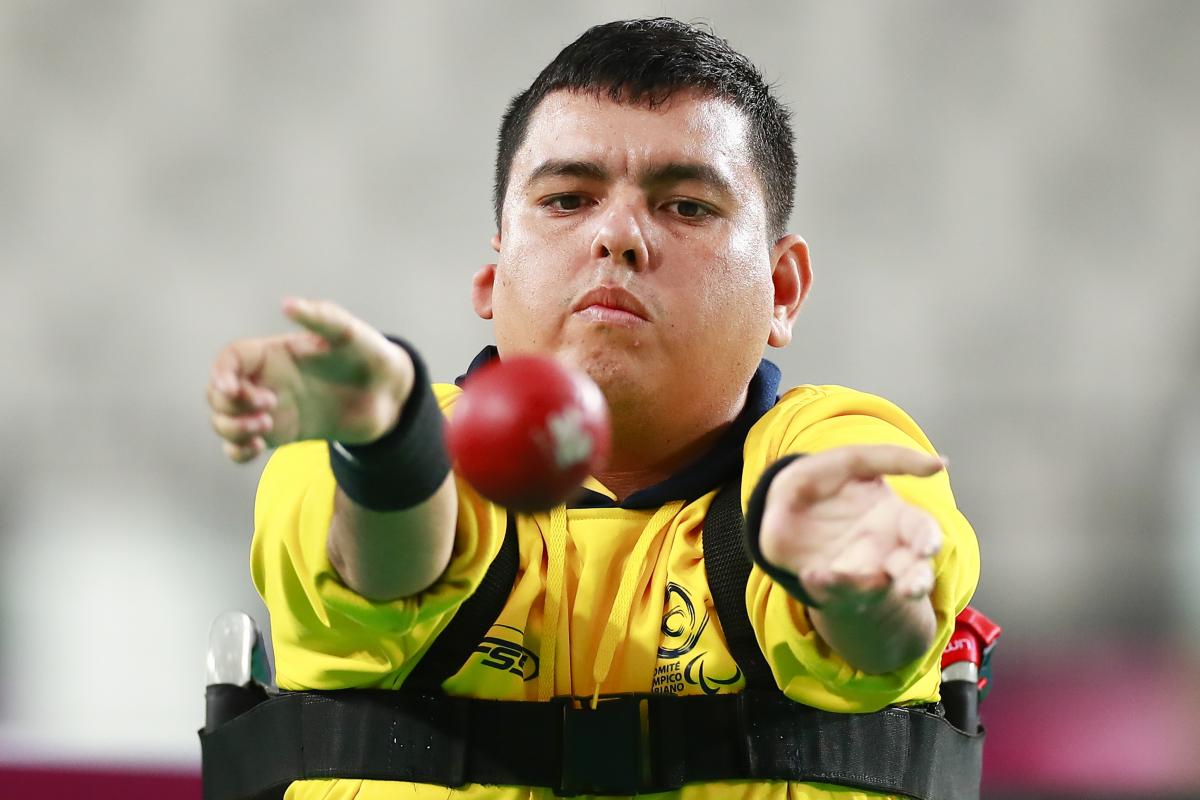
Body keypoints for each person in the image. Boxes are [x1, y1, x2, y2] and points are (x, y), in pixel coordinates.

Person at [205, 18, 980, 800]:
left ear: (782, 289)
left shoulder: (841, 453)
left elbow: (882, 645)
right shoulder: (372, 452)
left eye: (686, 206)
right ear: (493, 271)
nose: (618, 235)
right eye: (568, 198)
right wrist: (387, 444)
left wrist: (854, 588)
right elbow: (386, 559)